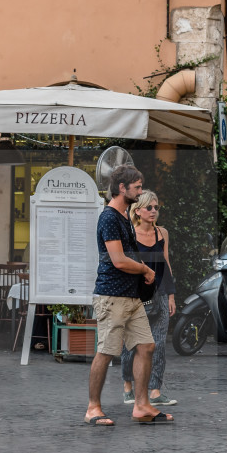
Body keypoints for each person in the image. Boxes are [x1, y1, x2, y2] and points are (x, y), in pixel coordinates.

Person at [84, 165, 171, 426]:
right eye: (137, 187)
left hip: (131, 297)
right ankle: (93, 408)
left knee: (147, 346)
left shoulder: (123, 216)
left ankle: (142, 405)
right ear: (122, 188)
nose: (140, 191)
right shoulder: (109, 217)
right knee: (107, 351)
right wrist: (145, 269)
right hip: (112, 296)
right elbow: (119, 260)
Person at [121, 190, 177, 406]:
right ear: (137, 210)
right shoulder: (129, 234)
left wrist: (171, 294)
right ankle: (128, 386)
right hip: (136, 296)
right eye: (149, 208)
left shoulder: (162, 233)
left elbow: (166, 263)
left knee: (159, 344)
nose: (154, 211)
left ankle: (155, 390)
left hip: (161, 292)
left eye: (156, 208)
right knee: (132, 344)